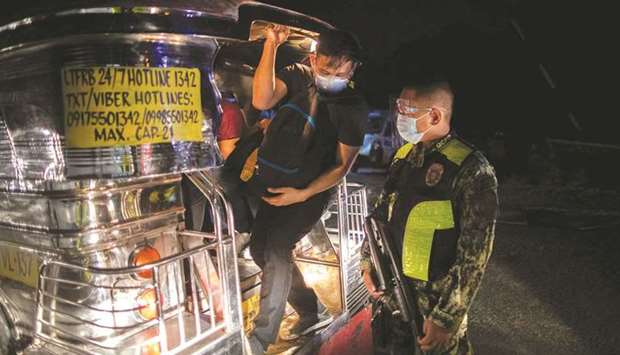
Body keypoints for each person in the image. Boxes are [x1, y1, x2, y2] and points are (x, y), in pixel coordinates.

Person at [246, 25, 368, 354]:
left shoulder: (353, 107)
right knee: (260, 251)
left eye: (342, 71)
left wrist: (301, 194)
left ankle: (259, 340)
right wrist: (271, 45)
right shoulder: (300, 76)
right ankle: (308, 311)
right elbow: (261, 98)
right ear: (314, 60)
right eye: (327, 69)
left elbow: (341, 167)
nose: (333, 76)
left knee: (277, 248)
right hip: (275, 181)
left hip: (310, 192)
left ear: (353, 68)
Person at [361, 78, 499, 355]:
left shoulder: (472, 170)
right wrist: (368, 263)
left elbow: (474, 257)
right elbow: (380, 215)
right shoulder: (404, 157)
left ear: (434, 115)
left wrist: (446, 319)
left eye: (405, 110)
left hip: (433, 312)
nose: (398, 116)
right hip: (393, 298)